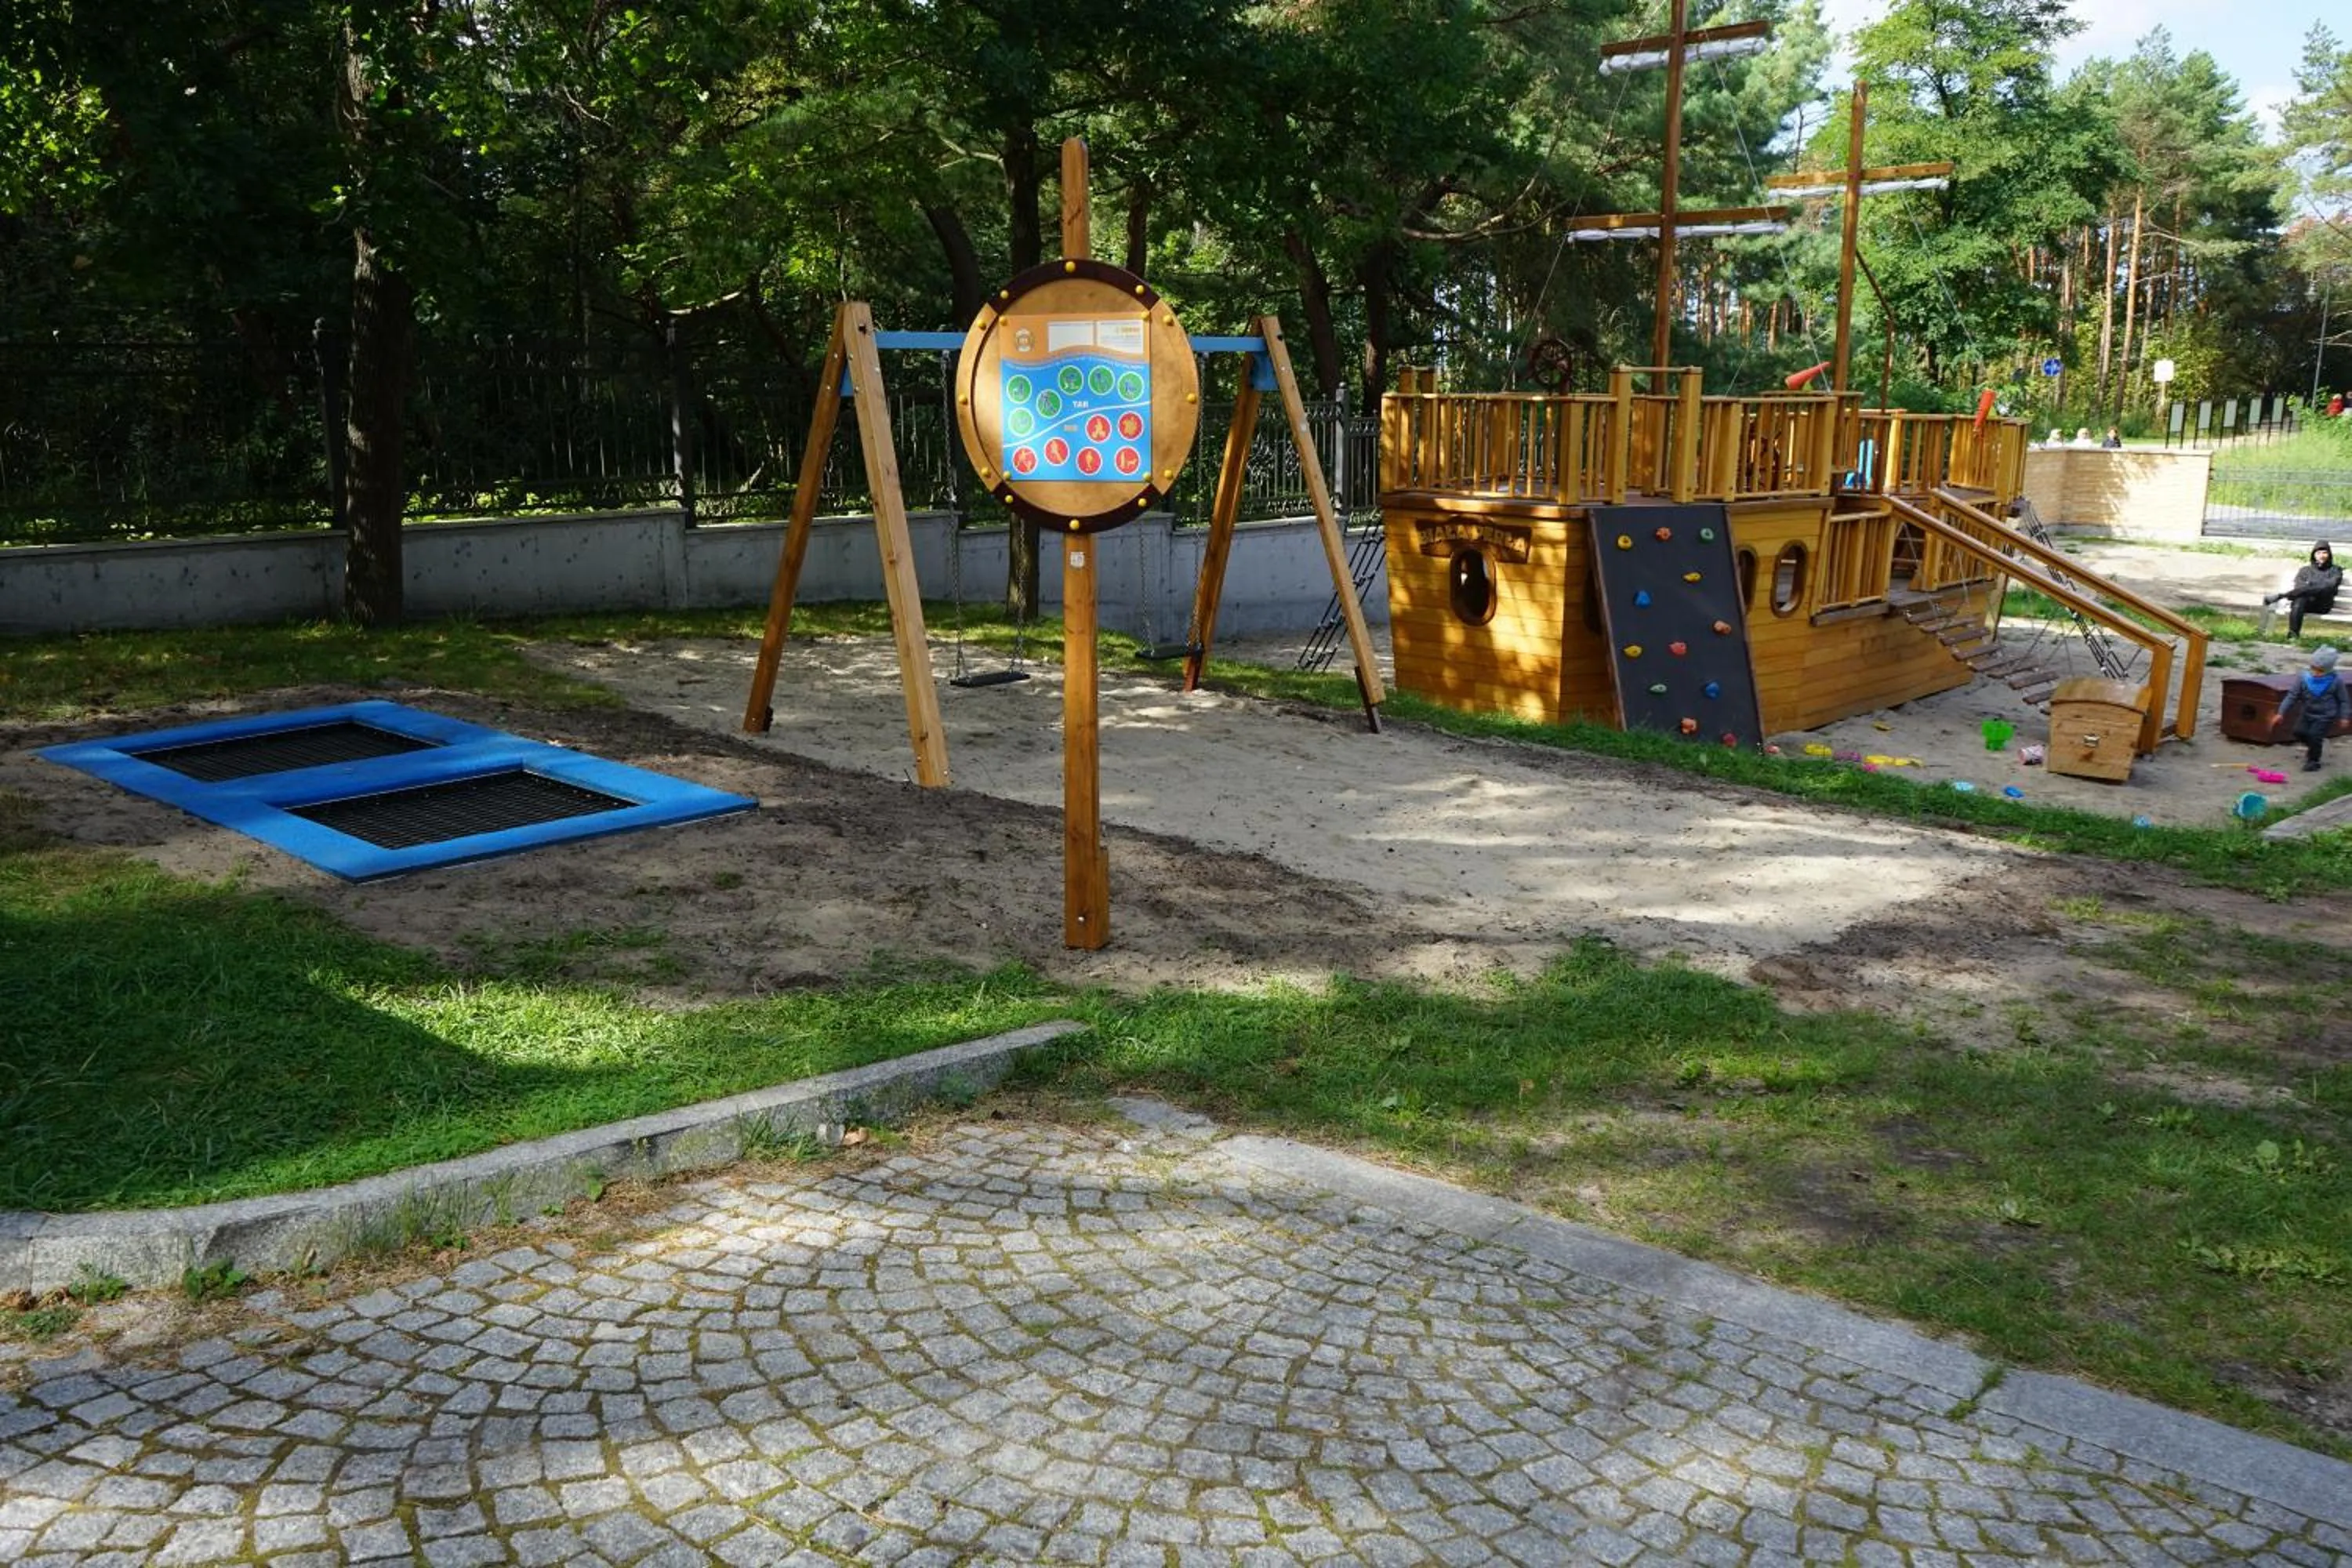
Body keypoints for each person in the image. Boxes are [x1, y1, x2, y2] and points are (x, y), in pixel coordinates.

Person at [2278, 646, 2351, 771]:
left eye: (2321, 671)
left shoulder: (2335, 681)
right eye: (2314, 669)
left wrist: (2344, 717)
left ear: (2329, 670)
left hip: (2325, 716)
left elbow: (2344, 700)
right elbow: (2292, 696)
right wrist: (2281, 712)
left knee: (2315, 735)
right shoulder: (2303, 678)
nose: (2316, 673)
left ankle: (2314, 761)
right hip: (2307, 713)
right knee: (2298, 732)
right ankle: (2313, 746)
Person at [2266, 542, 2346, 638]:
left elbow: (2329, 587)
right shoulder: (2305, 570)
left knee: (2306, 594)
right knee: (2299, 600)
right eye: (2318, 553)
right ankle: (2293, 636)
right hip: (2304, 604)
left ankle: (2282, 596)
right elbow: (2300, 588)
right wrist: (2314, 587)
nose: (2322, 556)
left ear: (2329, 555)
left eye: (2325, 553)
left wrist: (2310, 586)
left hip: (2322, 604)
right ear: (2314, 555)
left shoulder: (2336, 570)